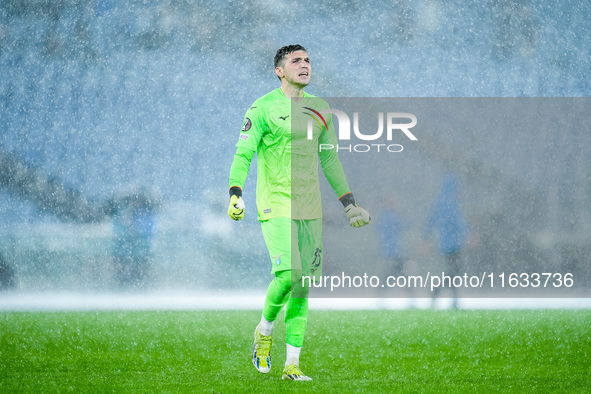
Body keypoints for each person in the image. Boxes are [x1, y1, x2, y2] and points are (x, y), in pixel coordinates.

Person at [227, 44, 370, 381]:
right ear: (280, 70)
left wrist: (349, 204)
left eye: (307, 60)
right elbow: (243, 153)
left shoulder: (320, 109)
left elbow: (329, 160)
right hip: (275, 203)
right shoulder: (262, 108)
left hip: (310, 208)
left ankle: (292, 364)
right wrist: (235, 192)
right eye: (296, 61)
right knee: (289, 275)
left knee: (303, 285)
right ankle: (264, 331)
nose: (305, 65)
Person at [422, 174, 470, 309]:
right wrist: (468, 235)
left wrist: (425, 239)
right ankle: (438, 292)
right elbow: (459, 221)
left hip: (443, 243)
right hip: (454, 244)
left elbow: (429, 222)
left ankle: (453, 300)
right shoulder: (451, 203)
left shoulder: (438, 203)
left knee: (453, 272)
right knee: (454, 272)